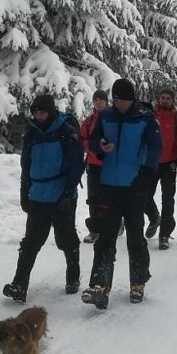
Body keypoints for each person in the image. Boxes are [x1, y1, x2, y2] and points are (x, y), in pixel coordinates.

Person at [81, 78, 162, 309]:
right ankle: (99, 286)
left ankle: (138, 281)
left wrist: (147, 172)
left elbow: (156, 146)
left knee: (135, 238)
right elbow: (94, 139)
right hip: (109, 185)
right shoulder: (106, 116)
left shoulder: (145, 118)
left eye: (123, 101)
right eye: (115, 100)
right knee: (106, 238)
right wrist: (100, 145)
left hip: (134, 186)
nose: (119, 104)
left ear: (132, 99)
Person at [2, 94, 85, 303]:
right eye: (36, 113)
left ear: (50, 111)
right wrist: (24, 192)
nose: (39, 116)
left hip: (61, 195)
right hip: (38, 196)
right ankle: (19, 285)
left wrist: (68, 192)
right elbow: (25, 166)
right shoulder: (32, 134)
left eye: (42, 112)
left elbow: (76, 164)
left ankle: (73, 277)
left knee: (65, 239)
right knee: (30, 243)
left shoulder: (65, 131)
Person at [143, 88, 177, 250]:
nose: (164, 101)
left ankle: (164, 235)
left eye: (168, 98)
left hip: (169, 163)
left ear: (173, 100)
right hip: (151, 163)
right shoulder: (150, 116)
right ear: (158, 99)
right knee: (144, 195)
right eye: (162, 98)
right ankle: (155, 217)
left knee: (168, 200)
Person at [80, 90, 109, 244]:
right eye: (96, 100)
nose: (98, 102)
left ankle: (112, 224)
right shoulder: (89, 121)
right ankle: (94, 229)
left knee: (108, 198)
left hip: (109, 165)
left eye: (101, 100)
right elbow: (82, 138)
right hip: (93, 164)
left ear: (106, 102)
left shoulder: (112, 119)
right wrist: (89, 146)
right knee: (92, 198)